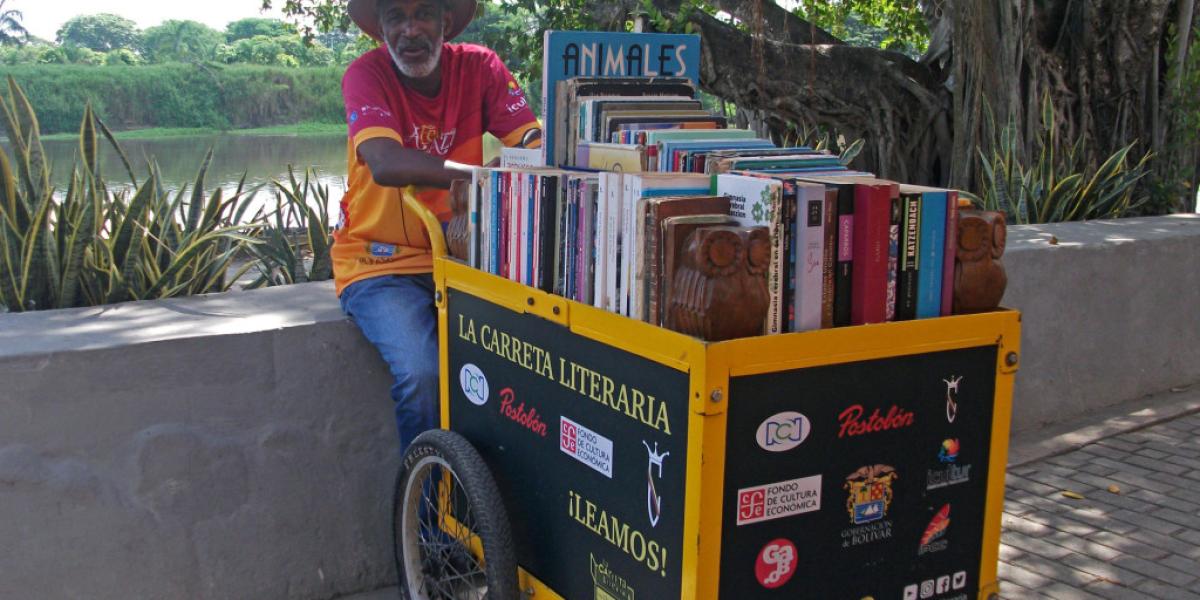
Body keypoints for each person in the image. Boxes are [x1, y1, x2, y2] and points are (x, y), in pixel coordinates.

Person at [337, 0, 541, 455]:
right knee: (422, 373)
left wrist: (536, 150)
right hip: (381, 264)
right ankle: (426, 495)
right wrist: (482, 177)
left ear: (445, 22)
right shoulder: (366, 75)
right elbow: (386, 164)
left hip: (464, 257)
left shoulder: (480, 67)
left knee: (529, 357)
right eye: (396, 17)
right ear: (381, 29)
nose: (410, 30)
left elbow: (530, 140)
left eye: (423, 14)